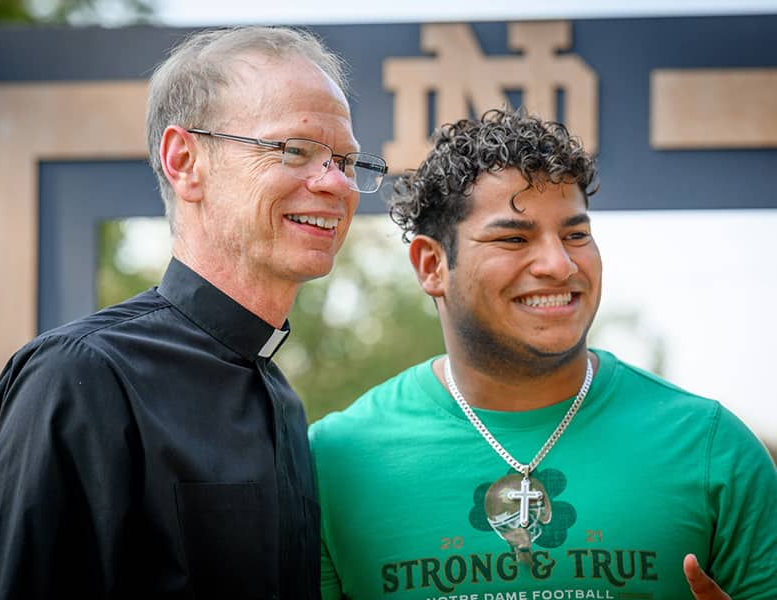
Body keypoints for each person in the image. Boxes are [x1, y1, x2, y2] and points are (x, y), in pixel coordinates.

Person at [0, 26, 387, 599]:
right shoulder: (83, 376)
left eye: (346, 160)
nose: (337, 184)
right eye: (295, 150)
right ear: (184, 159)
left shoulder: (282, 401)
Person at [309, 108, 776, 599]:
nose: (559, 264)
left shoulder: (712, 452)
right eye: (514, 238)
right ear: (432, 265)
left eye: (576, 235)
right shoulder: (334, 463)